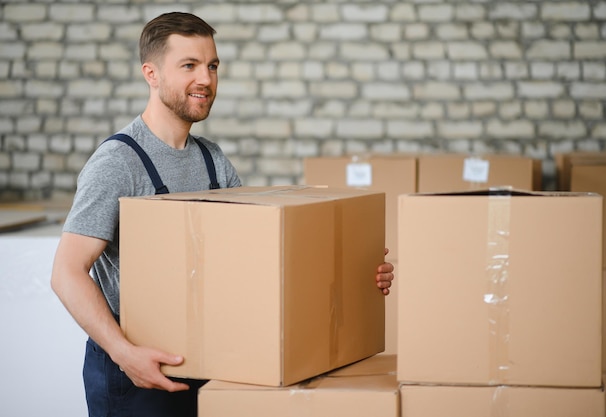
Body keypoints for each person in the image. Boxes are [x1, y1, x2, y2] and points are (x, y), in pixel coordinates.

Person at [51, 11, 395, 417]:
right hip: (137, 375)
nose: (206, 80)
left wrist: (354, 273)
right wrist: (125, 354)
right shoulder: (117, 163)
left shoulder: (213, 162)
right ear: (152, 73)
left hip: (210, 363)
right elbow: (67, 273)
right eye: (189, 66)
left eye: (212, 66)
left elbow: (255, 259)